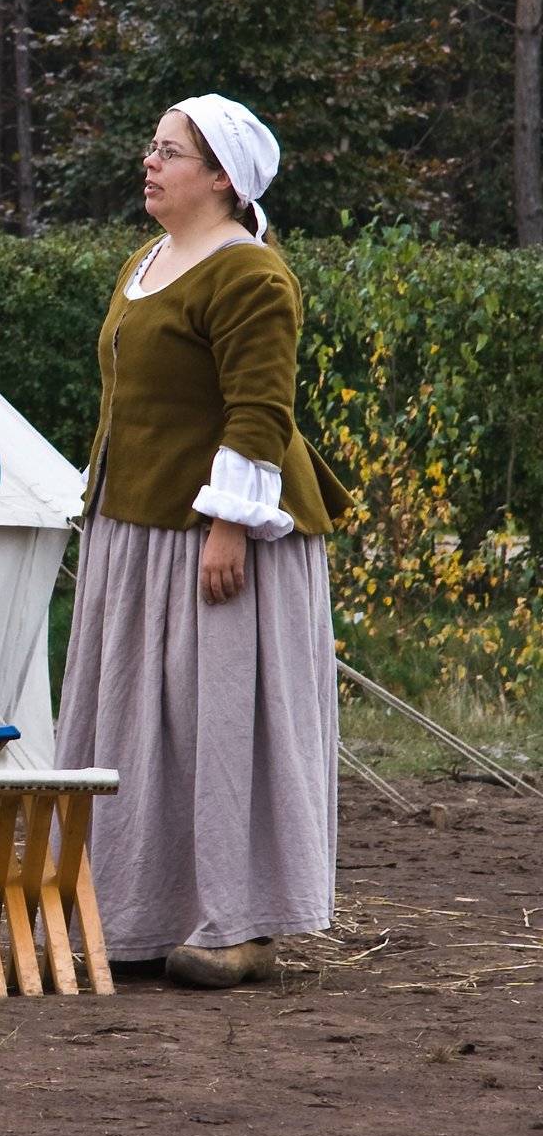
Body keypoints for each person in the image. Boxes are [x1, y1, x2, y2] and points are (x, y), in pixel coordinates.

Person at [54, 95, 353, 988]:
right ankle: (139, 912)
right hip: (136, 529)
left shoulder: (250, 274)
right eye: (150, 146)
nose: (149, 162)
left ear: (220, 176)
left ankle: (241, 922)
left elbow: (262, 407)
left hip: (225, 537)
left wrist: (228, 522)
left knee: (221, 726)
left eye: (169, 151)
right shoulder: (146, 262)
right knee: (142, 727)